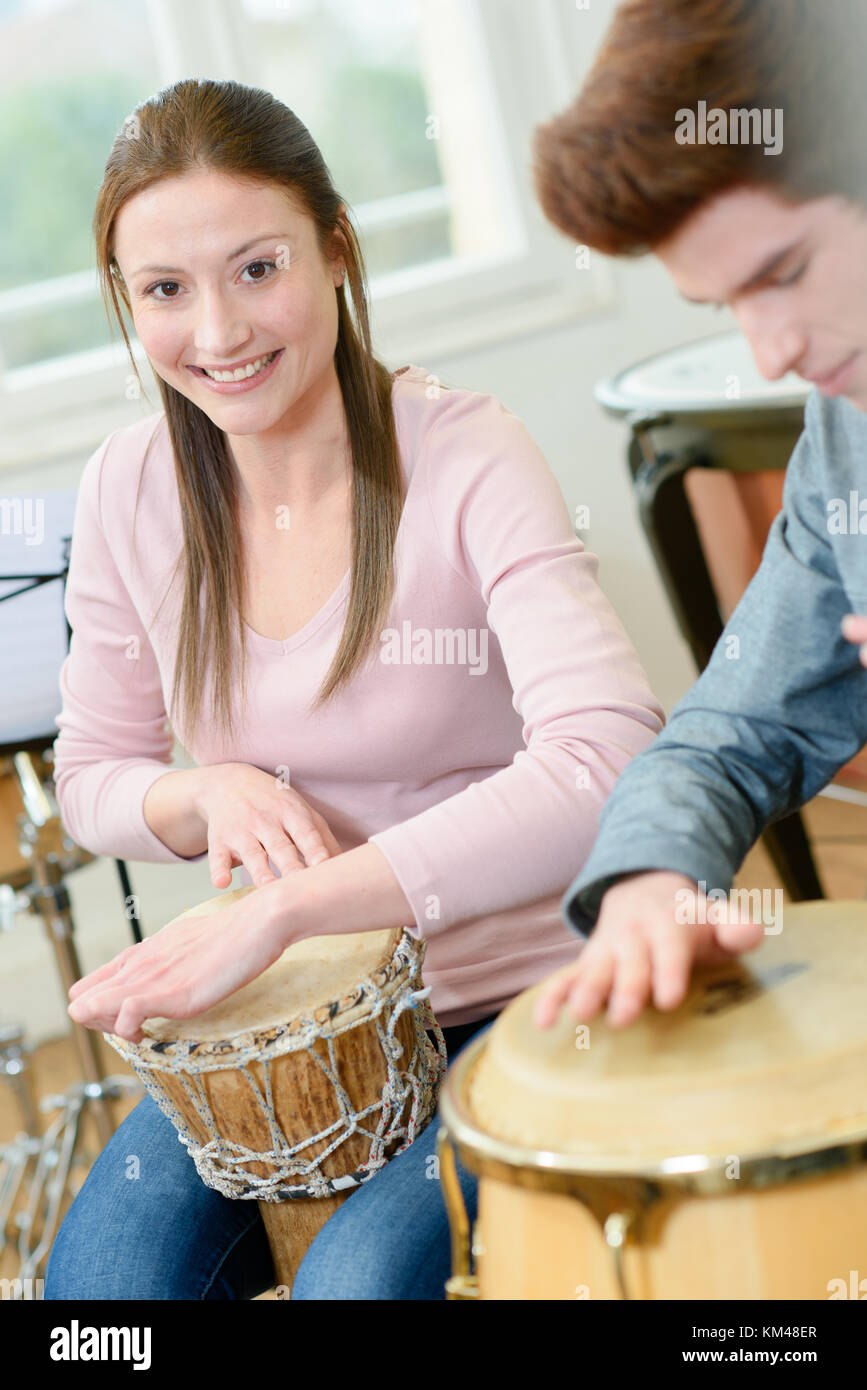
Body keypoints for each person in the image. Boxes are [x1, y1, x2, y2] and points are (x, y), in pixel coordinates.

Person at [43, 77, 664, 1299]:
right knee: (95, 1307)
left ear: (335, 248)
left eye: (257, 267)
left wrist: (291, 907)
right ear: (128, 302)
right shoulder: (128, 488)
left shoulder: (464, 451)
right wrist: (199, 794)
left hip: (523, 993)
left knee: (356, 1292)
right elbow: (90, 779)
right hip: (283, 1019)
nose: (218, 332)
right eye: (166, 290)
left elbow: (606, 763)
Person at [529, 0, 867, 1032]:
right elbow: (734, 729)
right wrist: (650, 875)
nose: (770, 352)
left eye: (786, 272)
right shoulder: (845, 434)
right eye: (728, 305)